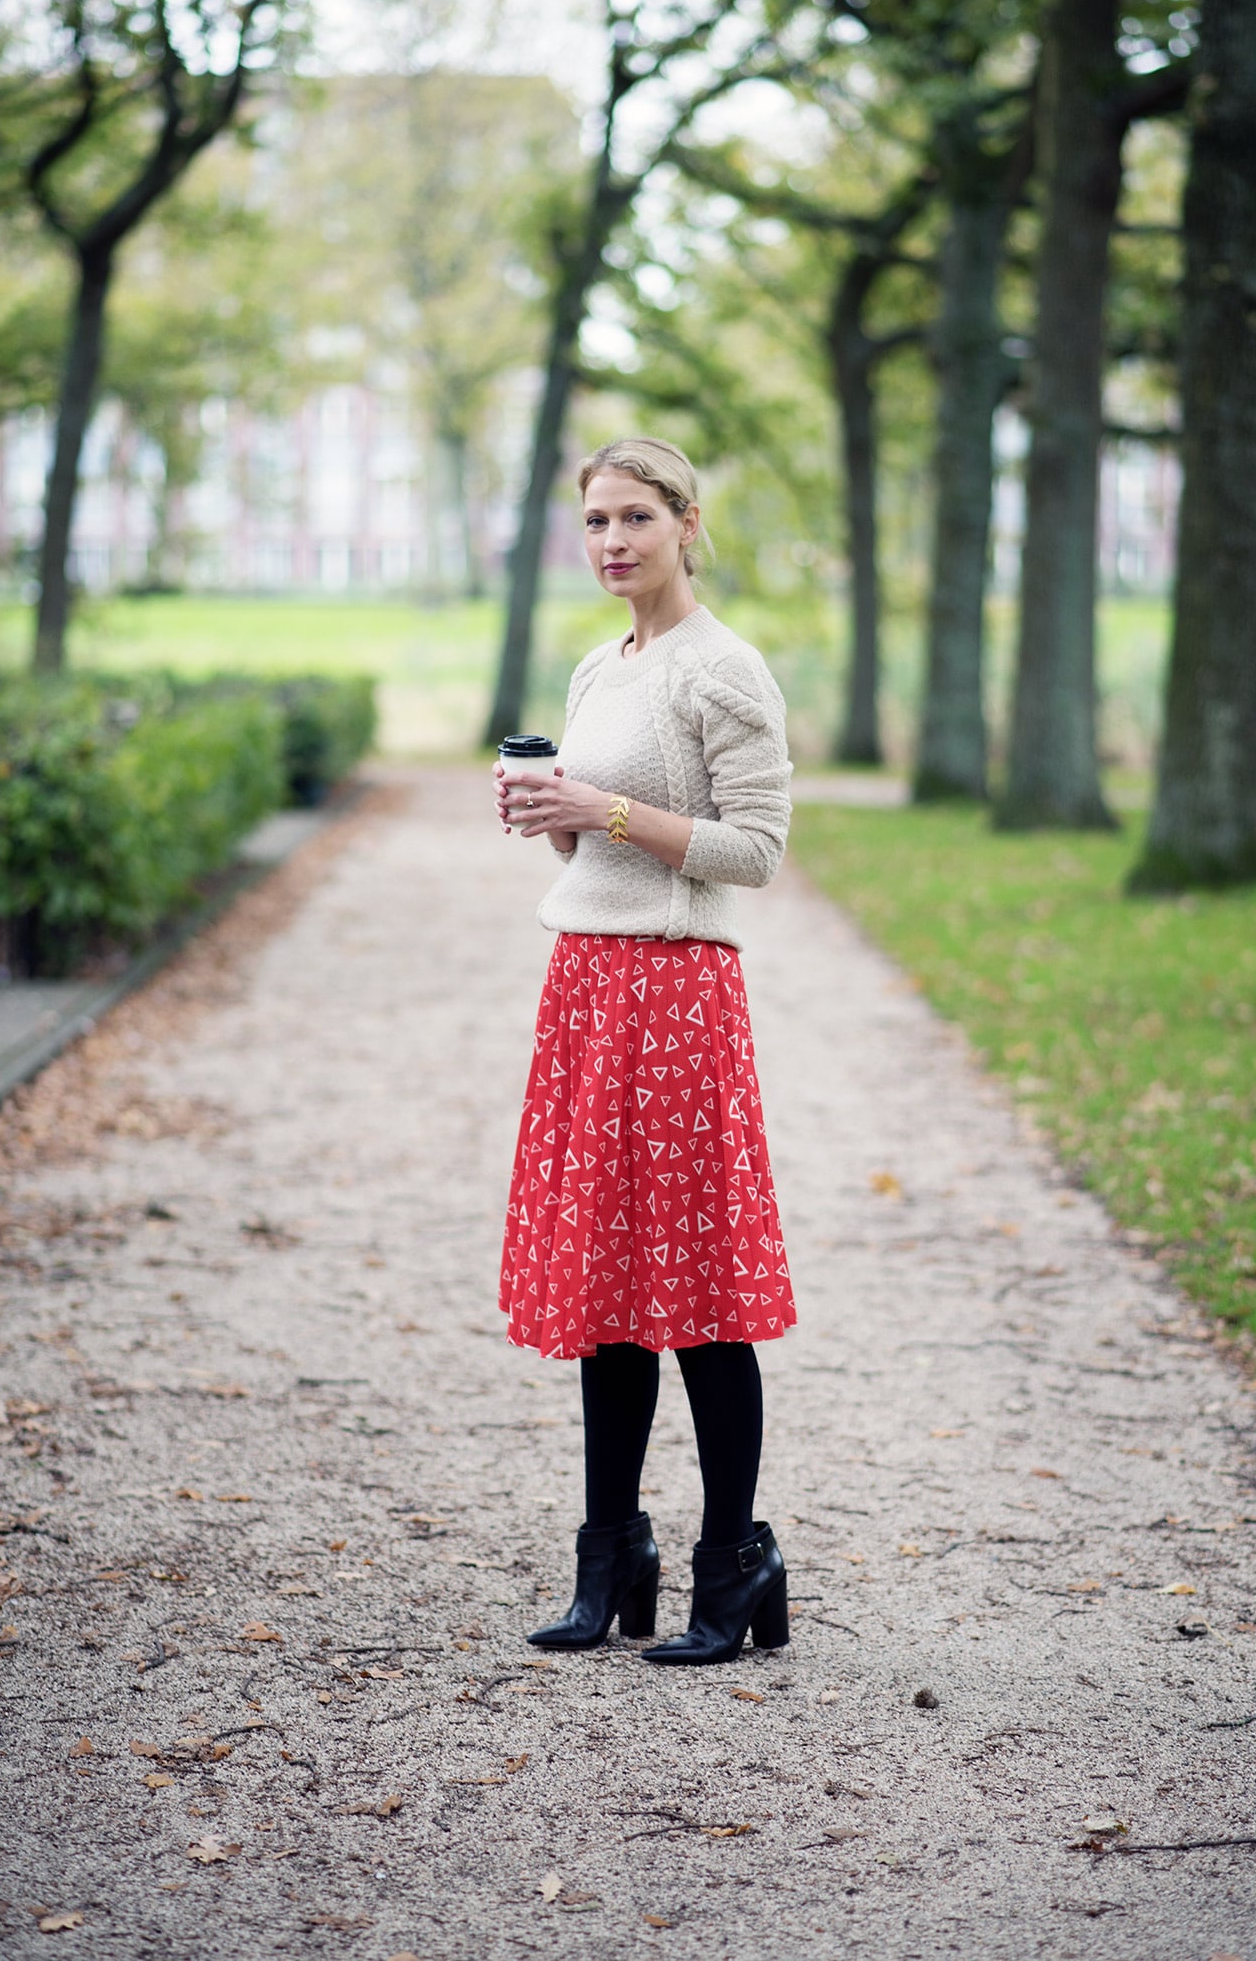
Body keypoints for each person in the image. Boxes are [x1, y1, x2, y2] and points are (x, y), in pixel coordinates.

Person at [491, 436, 796, 1667]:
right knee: (603, 1297)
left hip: (675, 1003)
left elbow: (755, 852)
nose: (613, 541)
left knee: (699, 1299)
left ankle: (736, 1560)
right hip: (585, 988)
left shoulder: (721, 670)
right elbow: (600, 861)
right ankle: (609, 1551)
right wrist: (553, 824)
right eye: (596, 522)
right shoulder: (595, 668)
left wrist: (601, 808)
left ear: (684, 522)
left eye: (636, 518)